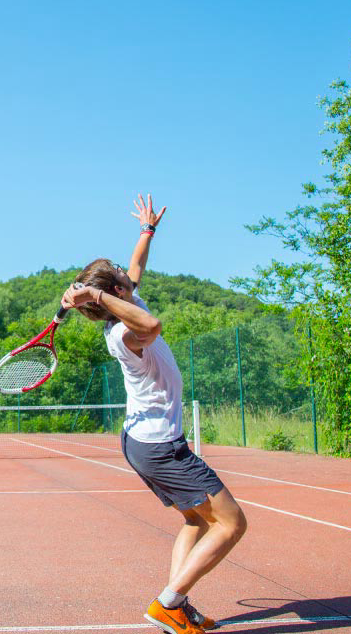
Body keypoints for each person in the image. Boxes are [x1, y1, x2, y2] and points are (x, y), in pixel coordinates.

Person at [60, 194, 247, 634]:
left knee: (196, 521)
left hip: (146, 440)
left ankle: (177, 604)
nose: (130, 275)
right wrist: (100, 294)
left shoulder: (126, 300)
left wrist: (147, 230)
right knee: (232, 523)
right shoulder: (125, 331)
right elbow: (152, 327)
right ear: (116, 293)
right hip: (160, 446)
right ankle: (166, 605)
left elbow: (135, 267)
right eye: (122, 279)